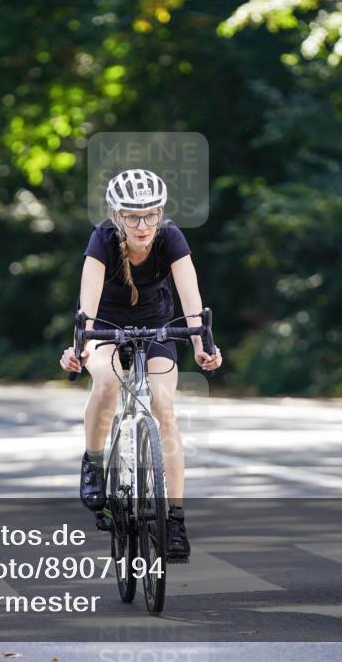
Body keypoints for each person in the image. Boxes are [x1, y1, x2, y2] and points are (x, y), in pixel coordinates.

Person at [59, 169, 223, 562]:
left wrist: (202, 346)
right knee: (109, 383)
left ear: (161, 212)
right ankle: (94, 462)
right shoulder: (101, 240)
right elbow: (88, 306)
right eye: (132, 216)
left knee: (164, 409)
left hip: (159, 327)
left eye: (151, 214)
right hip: (108, 328)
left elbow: (191, 300)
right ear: (116, 215)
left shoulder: (171, 238)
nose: (142, 225)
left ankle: (175, 520)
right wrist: (80, 347)